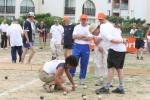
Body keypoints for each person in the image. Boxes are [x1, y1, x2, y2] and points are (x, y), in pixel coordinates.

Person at [95, 21, 126, 94]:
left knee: (111, 68)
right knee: (119, 68)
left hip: (115, 49)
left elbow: (112, 40)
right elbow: (98, 40)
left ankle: (107, 87)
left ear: (96, 29)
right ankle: (121, 87)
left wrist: (123, 40)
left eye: (94, 32)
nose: (94, 34)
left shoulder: (103, 30)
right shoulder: (107, 27)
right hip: (121, 49)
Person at [70, 14, 92, 85]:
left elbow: (89, 38)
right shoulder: (77, 27)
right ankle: (71, 76)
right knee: (73, 61)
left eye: (84, 19)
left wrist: (79, 36)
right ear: (80, 20)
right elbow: (73, 36)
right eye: (82, 19)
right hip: (77, 46)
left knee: (84, 63)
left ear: (87, 20)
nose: (83, 21)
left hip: (86, 46)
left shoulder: (89, 27)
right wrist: (84, 36)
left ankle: (82, 78)